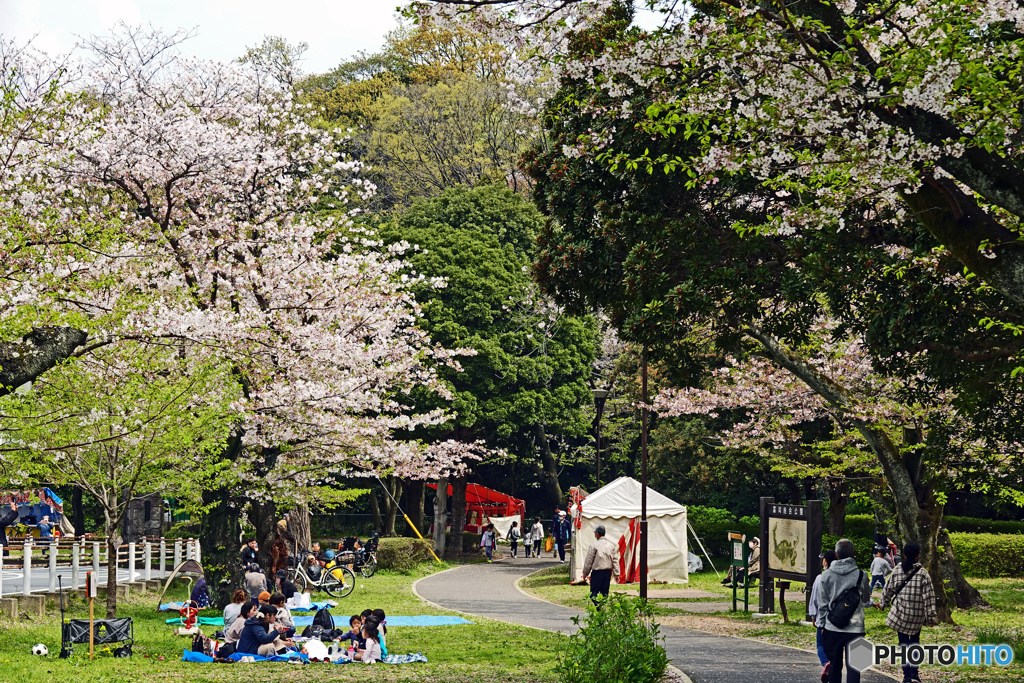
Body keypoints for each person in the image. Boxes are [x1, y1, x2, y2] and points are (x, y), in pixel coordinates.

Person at [880, 542, 937, 683]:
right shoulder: (923, 573)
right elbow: (929, 596)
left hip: (901, 615)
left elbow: (888, 589)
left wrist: (883, 604)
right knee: (915, 643)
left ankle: (906, 676)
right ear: (918, 556)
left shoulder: (898, 569)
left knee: (903, 644)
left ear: (904, 555)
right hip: (917, 617)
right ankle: (915, 673)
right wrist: (931, 616)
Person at [817, 539, 872, 683]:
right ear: (853, 554)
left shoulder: (826, 575)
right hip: (856, 627)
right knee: (855, 668)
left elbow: (822, 604)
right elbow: (866, 599)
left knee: (834, 667)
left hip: (832, 626)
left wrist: (821, 624)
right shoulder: (862, 575)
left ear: (836, 554)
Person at [809, 550, 837, 678]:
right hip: (838, 619)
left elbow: (814, 598)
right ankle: (833, 668)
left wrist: (813, 616)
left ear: (825, 561)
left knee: (820, 645)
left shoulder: (820, 578)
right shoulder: (839, 577)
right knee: (835, 647)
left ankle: (826, 663)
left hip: (822, 619)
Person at [581, 525, 620, 606]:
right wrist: (616, 574)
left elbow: (589, 561)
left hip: (597, 572)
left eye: (595, 533)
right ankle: (601, 608)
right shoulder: (611, 545)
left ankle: (597, 606)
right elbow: (615, 560)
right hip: (607, 572)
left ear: (597, 534)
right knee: (604, 593)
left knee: (593, 593)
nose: (595, 535)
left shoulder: (594, 546)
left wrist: (585, 573)